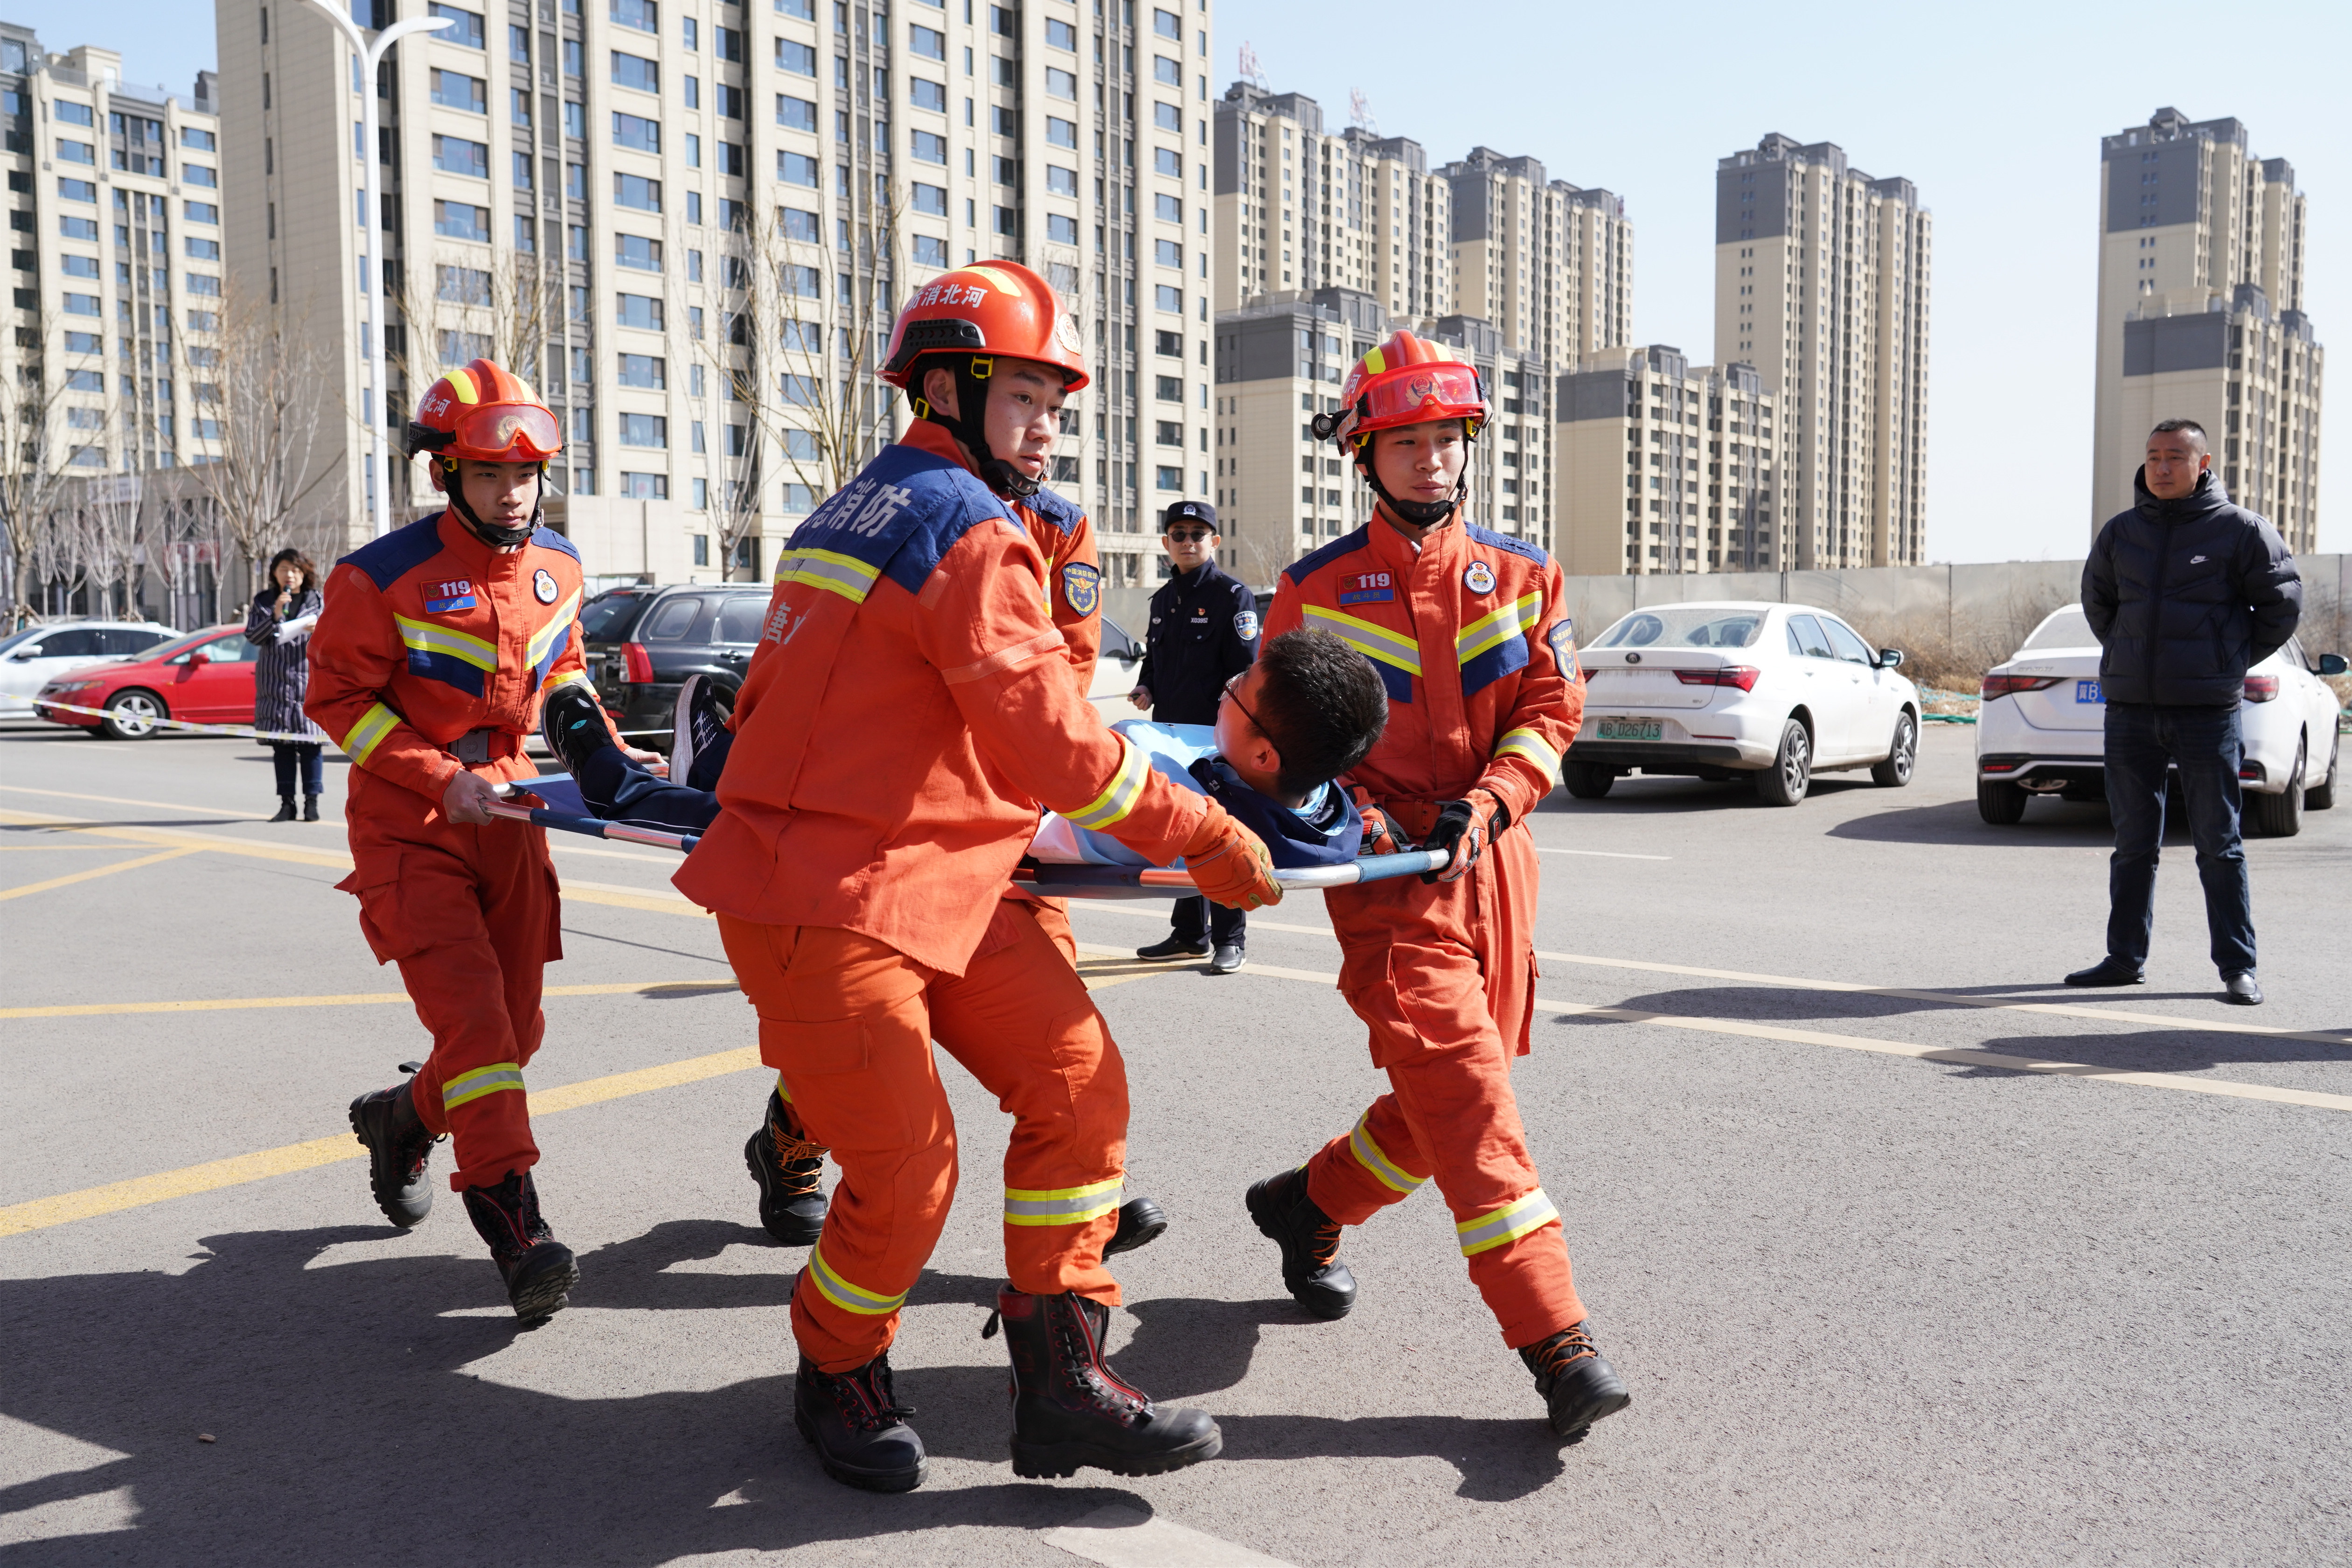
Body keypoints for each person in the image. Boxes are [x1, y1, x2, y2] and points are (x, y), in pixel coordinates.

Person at [667, 260, 1280, 1493]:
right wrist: (1207, 839)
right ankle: (836, 1364)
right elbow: (1063, 753)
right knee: (907, 1171)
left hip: (933, 878)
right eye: (1027, 392)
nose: (1050, 419)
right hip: (827, 902)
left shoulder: (861, 509)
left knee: (1076, 1083)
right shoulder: (968, 532)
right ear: (947, 385)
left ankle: (1060, 1379)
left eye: (1060, 396)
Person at [1243, 329, 1633, 1447]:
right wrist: (1358, 814)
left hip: (1495, 866)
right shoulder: (1312, 589)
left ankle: (1307, 1205)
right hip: (1386, 882)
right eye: (1402, 441)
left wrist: (1496, 798)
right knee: (1470, 1103)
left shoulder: (1524, 576)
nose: (1428, 462)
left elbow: (1552, 714)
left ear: (1470, 446)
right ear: (1365, 455)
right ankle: (1557, 1342)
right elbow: (1277, 741)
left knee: (1439, 1105)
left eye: (1444, 440)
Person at [308, 358, 626, 1324]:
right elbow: (336, 700)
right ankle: (512, 1217)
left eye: (527, 476)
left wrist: (596, 744)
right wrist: (437, 777)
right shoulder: (380, 574)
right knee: (482, 1034)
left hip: (516, 817)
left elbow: (562, 667)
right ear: (448, 473)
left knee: (515, 1033)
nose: (512, 494)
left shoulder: (561, 568)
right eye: (490, 475)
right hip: (413, 827)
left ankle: (402, 1119)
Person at [2068, 418, 2302, 1006]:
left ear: (2201, 464)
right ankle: (2123, 958)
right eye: (2152, 456)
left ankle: (2236, 966)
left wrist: (2225, 660)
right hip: (2128, 711)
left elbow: (2280, 605)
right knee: (2131, 844)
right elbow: (2098, 602)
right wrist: (2126, 652)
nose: (2161, 466)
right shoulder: (2121, 533)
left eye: (2174, 456)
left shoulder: (2240, 530)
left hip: (2205, 711)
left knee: (2218, 843)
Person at [1129, 500, 1260, 973]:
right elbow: (1153, 658)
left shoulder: (1233, 596)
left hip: (1213, 737)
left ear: (1214, 543)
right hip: (1167, 733)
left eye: (1197, 535)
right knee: (1183, 830)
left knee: (1220, 834)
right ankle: (1189, 934)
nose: (1188, 542)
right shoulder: (1163, 600)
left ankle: (1230, 938)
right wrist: (1146, 686)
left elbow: (1246, 669)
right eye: (1178, 534)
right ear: (1166, 542)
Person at [244, 548, 327, 821]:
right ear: (274, 574)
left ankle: (312, 803)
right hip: (275, 684)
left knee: (311, 745)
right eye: (283, 570)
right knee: (282, 746)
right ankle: (286, 804)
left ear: (304, 574)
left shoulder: (317, 601)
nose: (289, 575)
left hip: (307, 681)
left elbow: (337, 633)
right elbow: (253, 637)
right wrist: (276, 614)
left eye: (294, 570)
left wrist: (322, 630)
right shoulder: (264, 601)